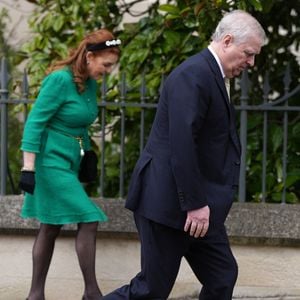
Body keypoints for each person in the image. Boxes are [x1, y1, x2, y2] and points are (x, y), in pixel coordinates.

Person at [103, 10, 266, 300]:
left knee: (222, 276)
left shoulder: (211, 73)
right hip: (170, 204)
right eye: (248, 53)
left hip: (199, 209)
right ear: (227, 41)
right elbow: (181, 144)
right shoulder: (193, 75)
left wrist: (200, 205)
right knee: (150, 290)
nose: (251, 62)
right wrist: (194, 204)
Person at [19, 29, 120, 300]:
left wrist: (87, 155)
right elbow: (35, 122)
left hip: (69, 162)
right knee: (89, 217)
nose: (108, 71)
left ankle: (35, 295)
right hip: (48, 162)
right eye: (106, 64)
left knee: (50, 225)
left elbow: (81, 123)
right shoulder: (59, 80)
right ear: (89, 56)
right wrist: (27, 169)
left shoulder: (89, 84)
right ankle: (92, 293)